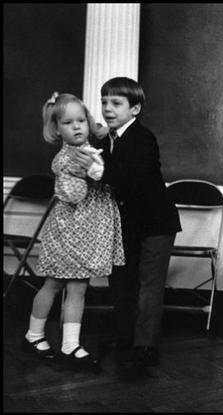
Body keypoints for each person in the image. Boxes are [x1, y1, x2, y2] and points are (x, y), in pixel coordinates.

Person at [73, 77, 181, 375]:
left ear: (135, 109)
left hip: (155, 224)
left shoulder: (143, 138)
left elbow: (129, 180)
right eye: (104, 102)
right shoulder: (110, 138)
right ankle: (126, 337)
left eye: (116, 103)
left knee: (148, 286)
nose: (108, 108)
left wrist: (96, 171)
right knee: (121, 282)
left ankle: (145, 347)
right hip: (127, 224)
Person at [22, 92, 125, 373]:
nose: (77, 126)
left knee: (78, 287)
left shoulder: (87, 149)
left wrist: (99, 147)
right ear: (57, 129)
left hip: (85, 233)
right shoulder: (67, 159)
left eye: (81, 120)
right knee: (53, 284)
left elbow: (101, 141)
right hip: (69, 232)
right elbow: (74, 194)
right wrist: (89, 172)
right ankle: (34, 335)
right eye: (68, 123)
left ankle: (69, 344)